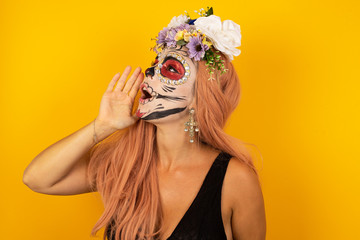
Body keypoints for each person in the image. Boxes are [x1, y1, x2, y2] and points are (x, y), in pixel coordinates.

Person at [23, 7, 266, 240]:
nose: (150, 74)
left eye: (170, 68)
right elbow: (37, 179)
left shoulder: (236, 179)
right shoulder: (123, 164)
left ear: (199, 99)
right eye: (154, 66)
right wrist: (103, 125)